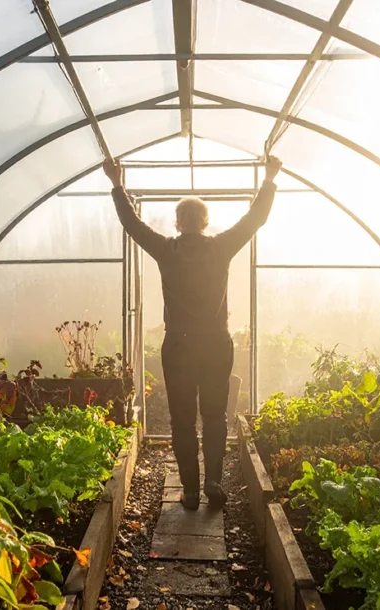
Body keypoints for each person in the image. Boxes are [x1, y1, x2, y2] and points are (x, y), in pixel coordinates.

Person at [103, 155, 283, 510]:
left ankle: (188, 490)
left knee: (182, 419)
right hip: (216, 344)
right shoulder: (220, 247)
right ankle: (213, 481)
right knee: (215, 415)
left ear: (178, 222)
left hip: (180, 347)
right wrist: (269, 178)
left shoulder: (167, 249)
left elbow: (133, 225)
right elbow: (255, 219)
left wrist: (116, 184)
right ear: (205, 222)